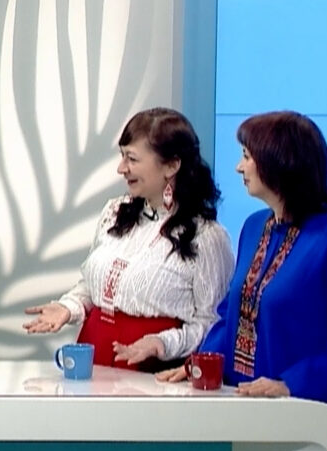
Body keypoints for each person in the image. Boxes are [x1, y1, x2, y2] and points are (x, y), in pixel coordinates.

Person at [157, 110, 327, 434]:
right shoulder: (254, 227)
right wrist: (201, 364)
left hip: (315, 419)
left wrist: (291, 383)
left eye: (247, 156)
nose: (239, 167)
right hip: (248, 412)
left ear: (280, 162)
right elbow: (231, 316)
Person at [23, 108, 234, 371]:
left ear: (171, 165)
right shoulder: (114, 212)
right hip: (95, 351)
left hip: (150, 366)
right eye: (122, 156)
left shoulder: (207, 237)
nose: (121, 168)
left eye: (132, 159)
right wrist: (68, 307)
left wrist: (163, 343)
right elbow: (93, 286)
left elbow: (212, 325)